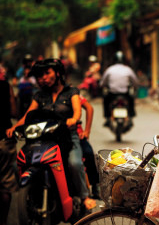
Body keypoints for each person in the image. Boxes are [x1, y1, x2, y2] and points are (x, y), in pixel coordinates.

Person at [6, 58, 96, 211]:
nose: (44, 78)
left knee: (75, 163)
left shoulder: (71, 92)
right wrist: (15, 126)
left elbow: (78, 112)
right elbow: (28, 115)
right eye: (40, 76)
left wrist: (73, 120)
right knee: (21, 162)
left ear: (58, 73)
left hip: (68, 137)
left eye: (47, 73)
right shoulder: (39, 96)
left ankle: (84, 196)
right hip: (44, 138)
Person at [100, 51, 139, 127]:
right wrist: (135, 87)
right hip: (125, 94)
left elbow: (102, 83)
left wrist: (104, 86)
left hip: (112, 94)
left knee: (105, 101)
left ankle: (107, 119)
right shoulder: (128, 69)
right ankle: (131, 118)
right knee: (131, 100)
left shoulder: (109, 69)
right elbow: (135, 82)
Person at [0, 79, 18, 225]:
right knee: (5, 181)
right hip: (4, 139)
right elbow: (14, 112)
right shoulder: (5, 85)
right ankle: (3, 223)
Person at [78, 95, 99, 199]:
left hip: (75, 134)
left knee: (88, 153)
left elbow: (89, 107)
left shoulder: (72, 93)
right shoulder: (40, 96)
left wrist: (87, 131)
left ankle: (95, 185)